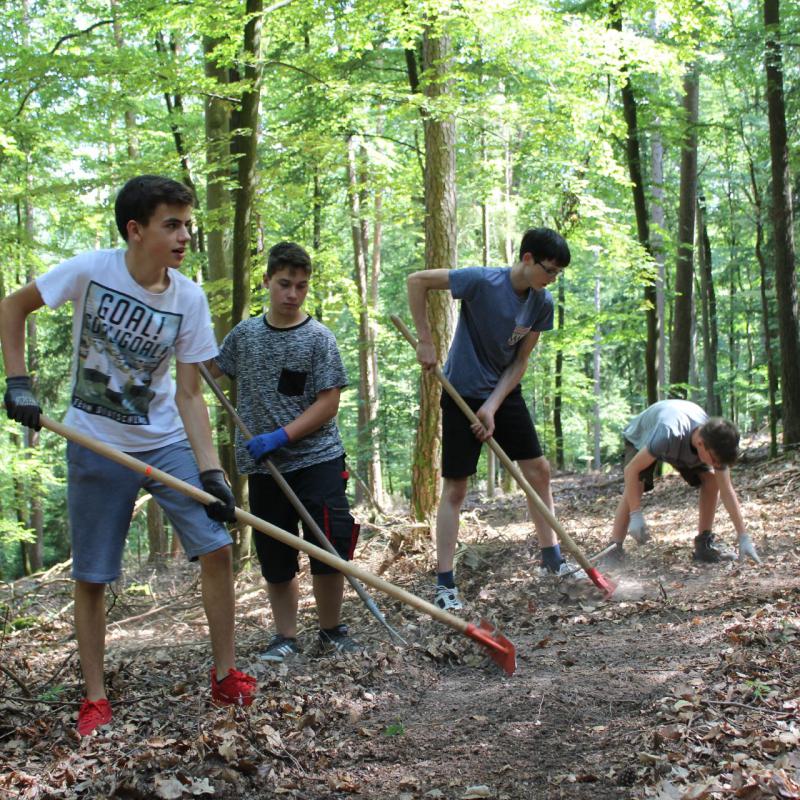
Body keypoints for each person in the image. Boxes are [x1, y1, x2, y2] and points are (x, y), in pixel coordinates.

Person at [0, 175, 256, 736]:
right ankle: (95, 698)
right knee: (92, 575)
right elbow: (13, 306)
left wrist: (211, 473)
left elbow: (190, 394)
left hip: (164, 442)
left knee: (217, 547)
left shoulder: (187, 298)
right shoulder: (91, 270)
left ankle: (225, 673)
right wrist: (18, 382)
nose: (185, 234)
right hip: (95, 441)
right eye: (172, 224)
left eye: (188, 223)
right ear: (135, 230)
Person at [407, 227, 582, 612]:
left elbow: (520, 361)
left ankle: (552, 559)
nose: (551, 279)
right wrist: (425, 339)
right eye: (549, 270)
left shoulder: (542, 303)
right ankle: (445, 583)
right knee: (456, 489)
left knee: (538, 471)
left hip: (503, 392)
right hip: (460, 391)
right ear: (528, 259)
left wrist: (493, 405)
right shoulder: (482, 281)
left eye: (557, 274)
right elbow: (416, 281)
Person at [209, 241, 361, 663]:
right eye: (284, 284)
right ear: (267, 282)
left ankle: (332, 631)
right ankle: (286, 638)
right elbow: (208, 369)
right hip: (263, 468)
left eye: (301, 286)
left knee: (328, 544)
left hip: (317, 460)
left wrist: (281, 435)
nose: (292, 294)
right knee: (275, 553)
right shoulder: (245, 336)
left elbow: (328, 402)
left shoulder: (319, 339)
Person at [605, 399, 761, 564]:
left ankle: (703, 545)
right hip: (642, 436)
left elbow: (727, 491)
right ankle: (614, 548)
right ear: (701, 444)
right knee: (637, 483)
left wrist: (743, 536)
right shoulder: (667, 434)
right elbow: (631, 470)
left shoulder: (716, 442)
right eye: (714, 461)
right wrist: (635, 514)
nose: (716, 465)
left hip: (679, 445)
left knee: (712, 479)